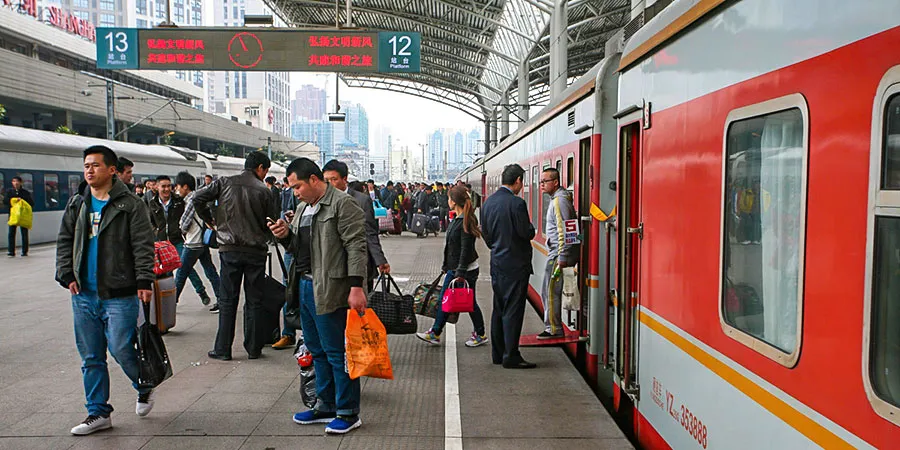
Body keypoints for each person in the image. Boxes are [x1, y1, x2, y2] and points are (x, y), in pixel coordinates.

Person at [55, 145, 157, 435]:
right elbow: (64, 240)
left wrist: (143, 280)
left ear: (112, 170)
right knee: (90, 356)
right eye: (86, 166)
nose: (89, 171)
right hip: (83, 293)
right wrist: (65, 272)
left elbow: (142, 244)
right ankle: (98, 413)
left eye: (96, 165)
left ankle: (144, 383)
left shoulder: (130, 205)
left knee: (122, 348)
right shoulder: (78, 203)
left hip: (120, 292)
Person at [269, 157, 367, 435]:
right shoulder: (303, 208)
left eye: (298, 186)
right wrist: (284, 235)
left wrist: (356, 287)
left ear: (314, 180)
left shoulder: (342, 204)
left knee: (338, 352)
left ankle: (348, 412)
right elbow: (298, 249)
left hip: (331, 288)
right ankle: (325, 404)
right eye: (292, 188)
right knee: (316, 350)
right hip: (305, 286)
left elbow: (356, 247)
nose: (295, 193)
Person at [193, 151, 277, 361]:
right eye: (265, 170)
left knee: (228, 300)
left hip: (229, 249)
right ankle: (253, 348)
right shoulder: (264, 191)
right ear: (260, 168)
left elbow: (197, 198)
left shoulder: (224, 183)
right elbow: (272, 221)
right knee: (254, 301)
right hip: (255, 251)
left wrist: (210, 220)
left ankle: (223, 349)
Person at [416, 185, 488, 347]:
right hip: (456, 268)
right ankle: (478, 333)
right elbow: (452, 247)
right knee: (466, 302)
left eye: (449, 198)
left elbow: (465, 249)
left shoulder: (465, 221)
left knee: (456, 301)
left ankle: (436, 332)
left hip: (463, 270)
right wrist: (446, 266)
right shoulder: (459, 219)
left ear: (454, 202)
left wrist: (460, 271)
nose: (447, 201)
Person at [480, 164, 537, 369]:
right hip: (516, 264)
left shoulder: (488, 203)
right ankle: (511, 355)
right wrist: (531, 229)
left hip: (497, 262)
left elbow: (486, 234)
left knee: (499, 307)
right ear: (519, 181)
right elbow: (526, 233)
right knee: (513, 309)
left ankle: (498, 353)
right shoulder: (517, 204)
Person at [322, 160, 390, 293]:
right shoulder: (322, 200)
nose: (329, 184)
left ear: (345, 179)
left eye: (334, 179)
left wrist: (380, 260)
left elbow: (370, 232)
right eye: (326, 180)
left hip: (359, 263)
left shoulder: (361, 200)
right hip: (332, 265)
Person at [148, 175, 211, 306]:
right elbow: (151, 221)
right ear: (157, 187)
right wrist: (156, 232)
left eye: (168, 186)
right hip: (162, 243)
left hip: (178, 240)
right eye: (163, 186)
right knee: (166, 272)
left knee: (185, 268)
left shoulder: (178, 201)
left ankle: (201, 292)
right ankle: (167, 299)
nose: (166, 189)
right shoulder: (152, 203)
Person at [538, 168, 578, 339]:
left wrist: (562, 257)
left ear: (555, 182)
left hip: (557, 255)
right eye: (541, 182)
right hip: (557, 253)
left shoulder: (559, 202)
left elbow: (567, 231)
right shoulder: (559, 199)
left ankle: (553, 329)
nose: (541, 185)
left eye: (545, 181)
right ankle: (553, 326)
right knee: (549, 291)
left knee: (550, 291)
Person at [175, 171, 222, 313]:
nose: (177, 190)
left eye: (178, 186)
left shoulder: (191, 200)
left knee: (181, 274)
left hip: (193, 243)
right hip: (202, 242)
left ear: (185, 187)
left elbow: (184, 223)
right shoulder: (200, 198)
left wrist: (181, 227)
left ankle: (171, 302)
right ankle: (221, 300)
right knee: (210, 271)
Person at [6, 176, 33, 257]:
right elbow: (5, 201)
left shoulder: (25, 193)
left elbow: (31, 203)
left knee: (24, 233)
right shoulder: (9, 192)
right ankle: (11, 251)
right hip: (13, 216)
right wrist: (13, 200)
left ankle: (24, 251)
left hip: (23, 216)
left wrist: (22, 200)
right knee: (11, 233)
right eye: (14, 181)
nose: (15, 183)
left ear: (21, 183)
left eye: (17, 181)